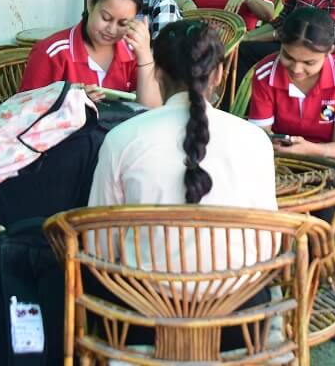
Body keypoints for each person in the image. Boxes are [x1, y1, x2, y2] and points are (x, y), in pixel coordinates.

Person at [89, 19, 278, 260]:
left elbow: (100, 246)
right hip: (241, 283)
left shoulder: (122, 139)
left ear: (157, 72)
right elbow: (269, 243)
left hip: (139, 284)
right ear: (218, 74)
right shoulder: (255, 141)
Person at [19, 0, 163, 107]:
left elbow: (152, 109)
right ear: (90, 4)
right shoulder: (53, 52)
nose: (112, 30)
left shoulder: (131, 52)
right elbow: (24, 110)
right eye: (106, 18)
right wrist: (70, 101)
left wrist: (145, 55)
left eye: (122, 23)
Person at [246, 8, 335, 163]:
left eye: (309, 62)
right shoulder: (265, 73)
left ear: (329, 52)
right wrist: (277, 148)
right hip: (281, 155)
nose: (296, 69)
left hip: (331, 156)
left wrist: (310, 149)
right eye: (288, 57)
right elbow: (261, 138)